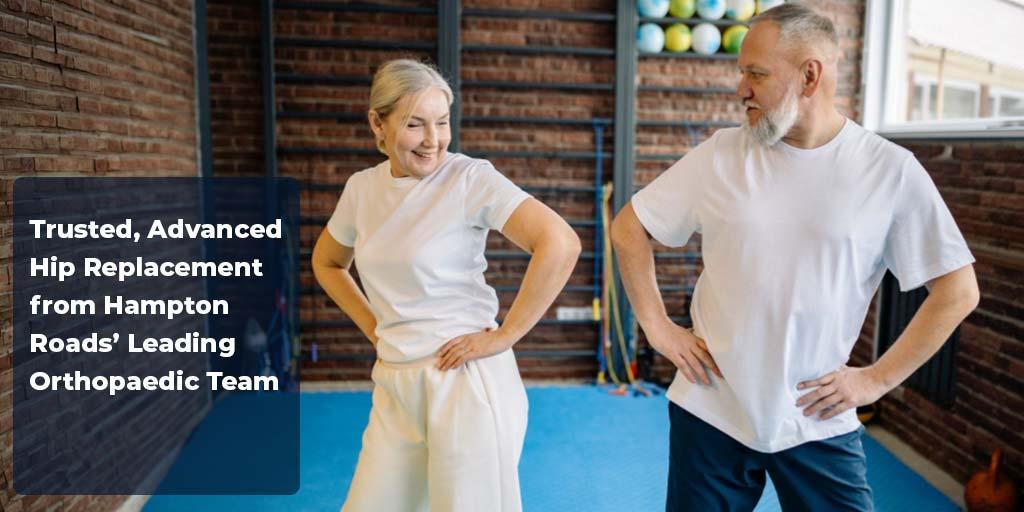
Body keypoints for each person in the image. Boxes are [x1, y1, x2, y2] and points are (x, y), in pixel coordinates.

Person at [610, 4, 980, 511]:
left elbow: (958, 290)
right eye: (742, 73)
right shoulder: (721, 154)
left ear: (810, 76)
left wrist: (875, 380)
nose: (741, 89)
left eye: (756, 74)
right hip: (713, 405)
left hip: (816, 415)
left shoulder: (889, 170)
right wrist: (657, 327)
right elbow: (629, 227)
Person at [311, 59, 581, 512]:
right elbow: (328, 262)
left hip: (465, 385)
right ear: (377, 123)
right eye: (414, 124)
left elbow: (560, 242)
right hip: (395, 385)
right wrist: (374, 327)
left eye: (441, 122)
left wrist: (506, 335)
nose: (433, 139)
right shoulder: (361, 189)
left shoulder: (469, 178)